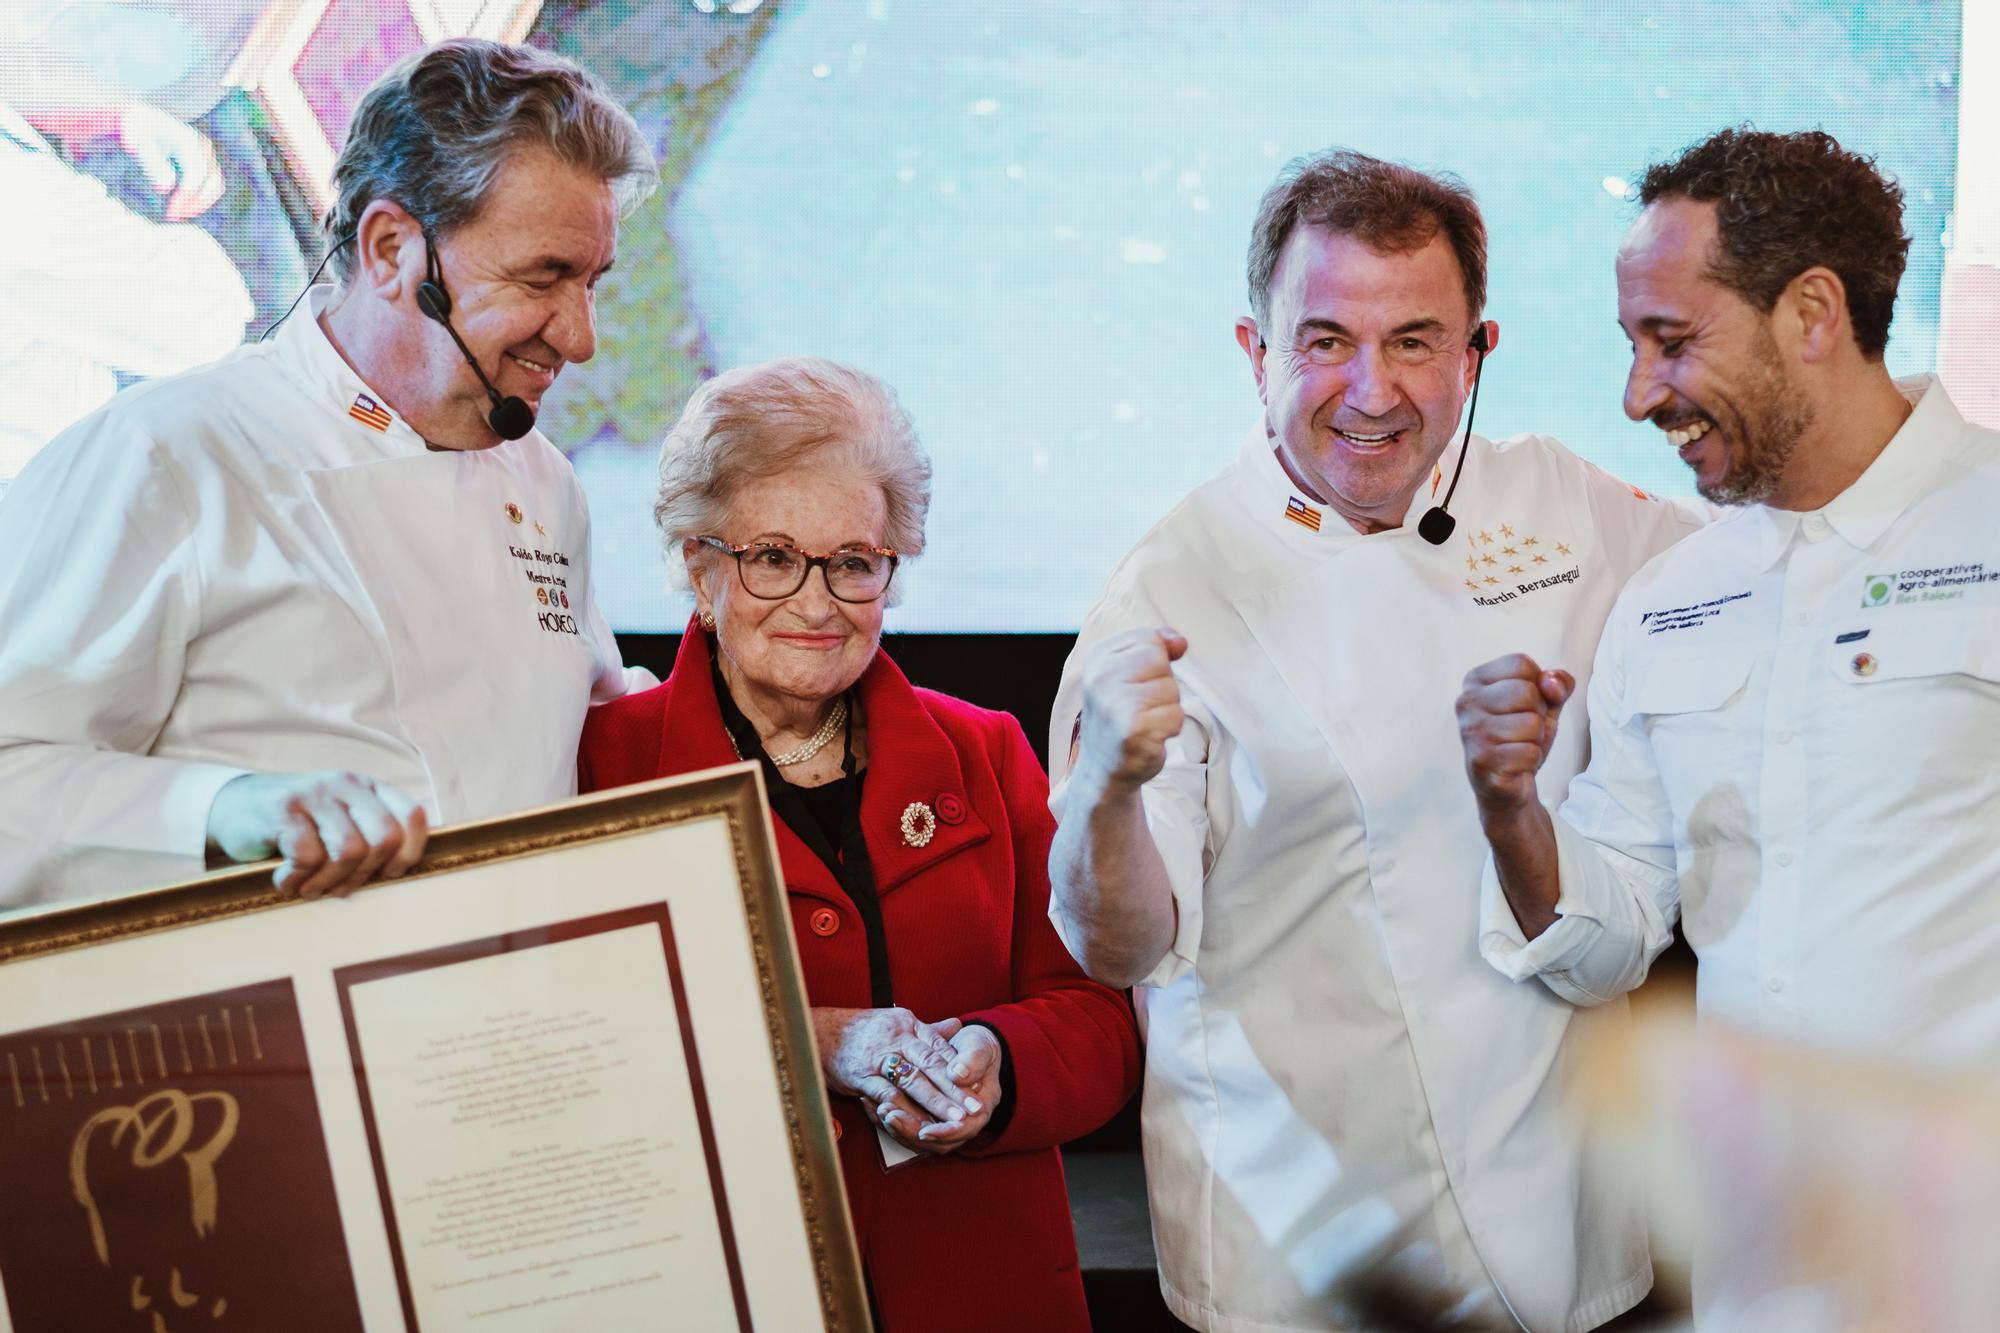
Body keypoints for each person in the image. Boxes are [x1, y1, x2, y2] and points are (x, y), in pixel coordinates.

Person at [1048, 149, 1702, 1331]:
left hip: (1561, 1223)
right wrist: (1101, 789)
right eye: (1323, 342)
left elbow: (1757, 588)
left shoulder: (1573, 508)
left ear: (1474, 352)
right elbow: (1120, 945)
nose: (1370, 390)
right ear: (1255, 355)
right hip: (1304, 1246)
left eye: (1412, 341)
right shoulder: (1165, 589)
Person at [0, 39, 658, 908]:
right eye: (545, 277)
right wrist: (228, 808)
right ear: (391, 251)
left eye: (594, 282)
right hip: (265, 1032)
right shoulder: (167, 456)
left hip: (509, 1026)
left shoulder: (543, 484)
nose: (580, 337)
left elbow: (591, 733)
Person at [578, 356, 1141, 1332]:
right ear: (699, 566)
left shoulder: (986, 753)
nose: (815, 599)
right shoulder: (600, 769)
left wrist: (996, 1060)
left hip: (981, 1292)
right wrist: (816, 1041)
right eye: (770, 556)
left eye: (851, 561)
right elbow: (571, 1057)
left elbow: (1095, 1019)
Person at [1459, 128, 2000, 1072]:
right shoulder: (1672, 595)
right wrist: (1514, 815)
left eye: (1673, 342)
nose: (1637, 396)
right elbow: (1610, 940)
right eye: (1633, 345)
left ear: (1813, 314)